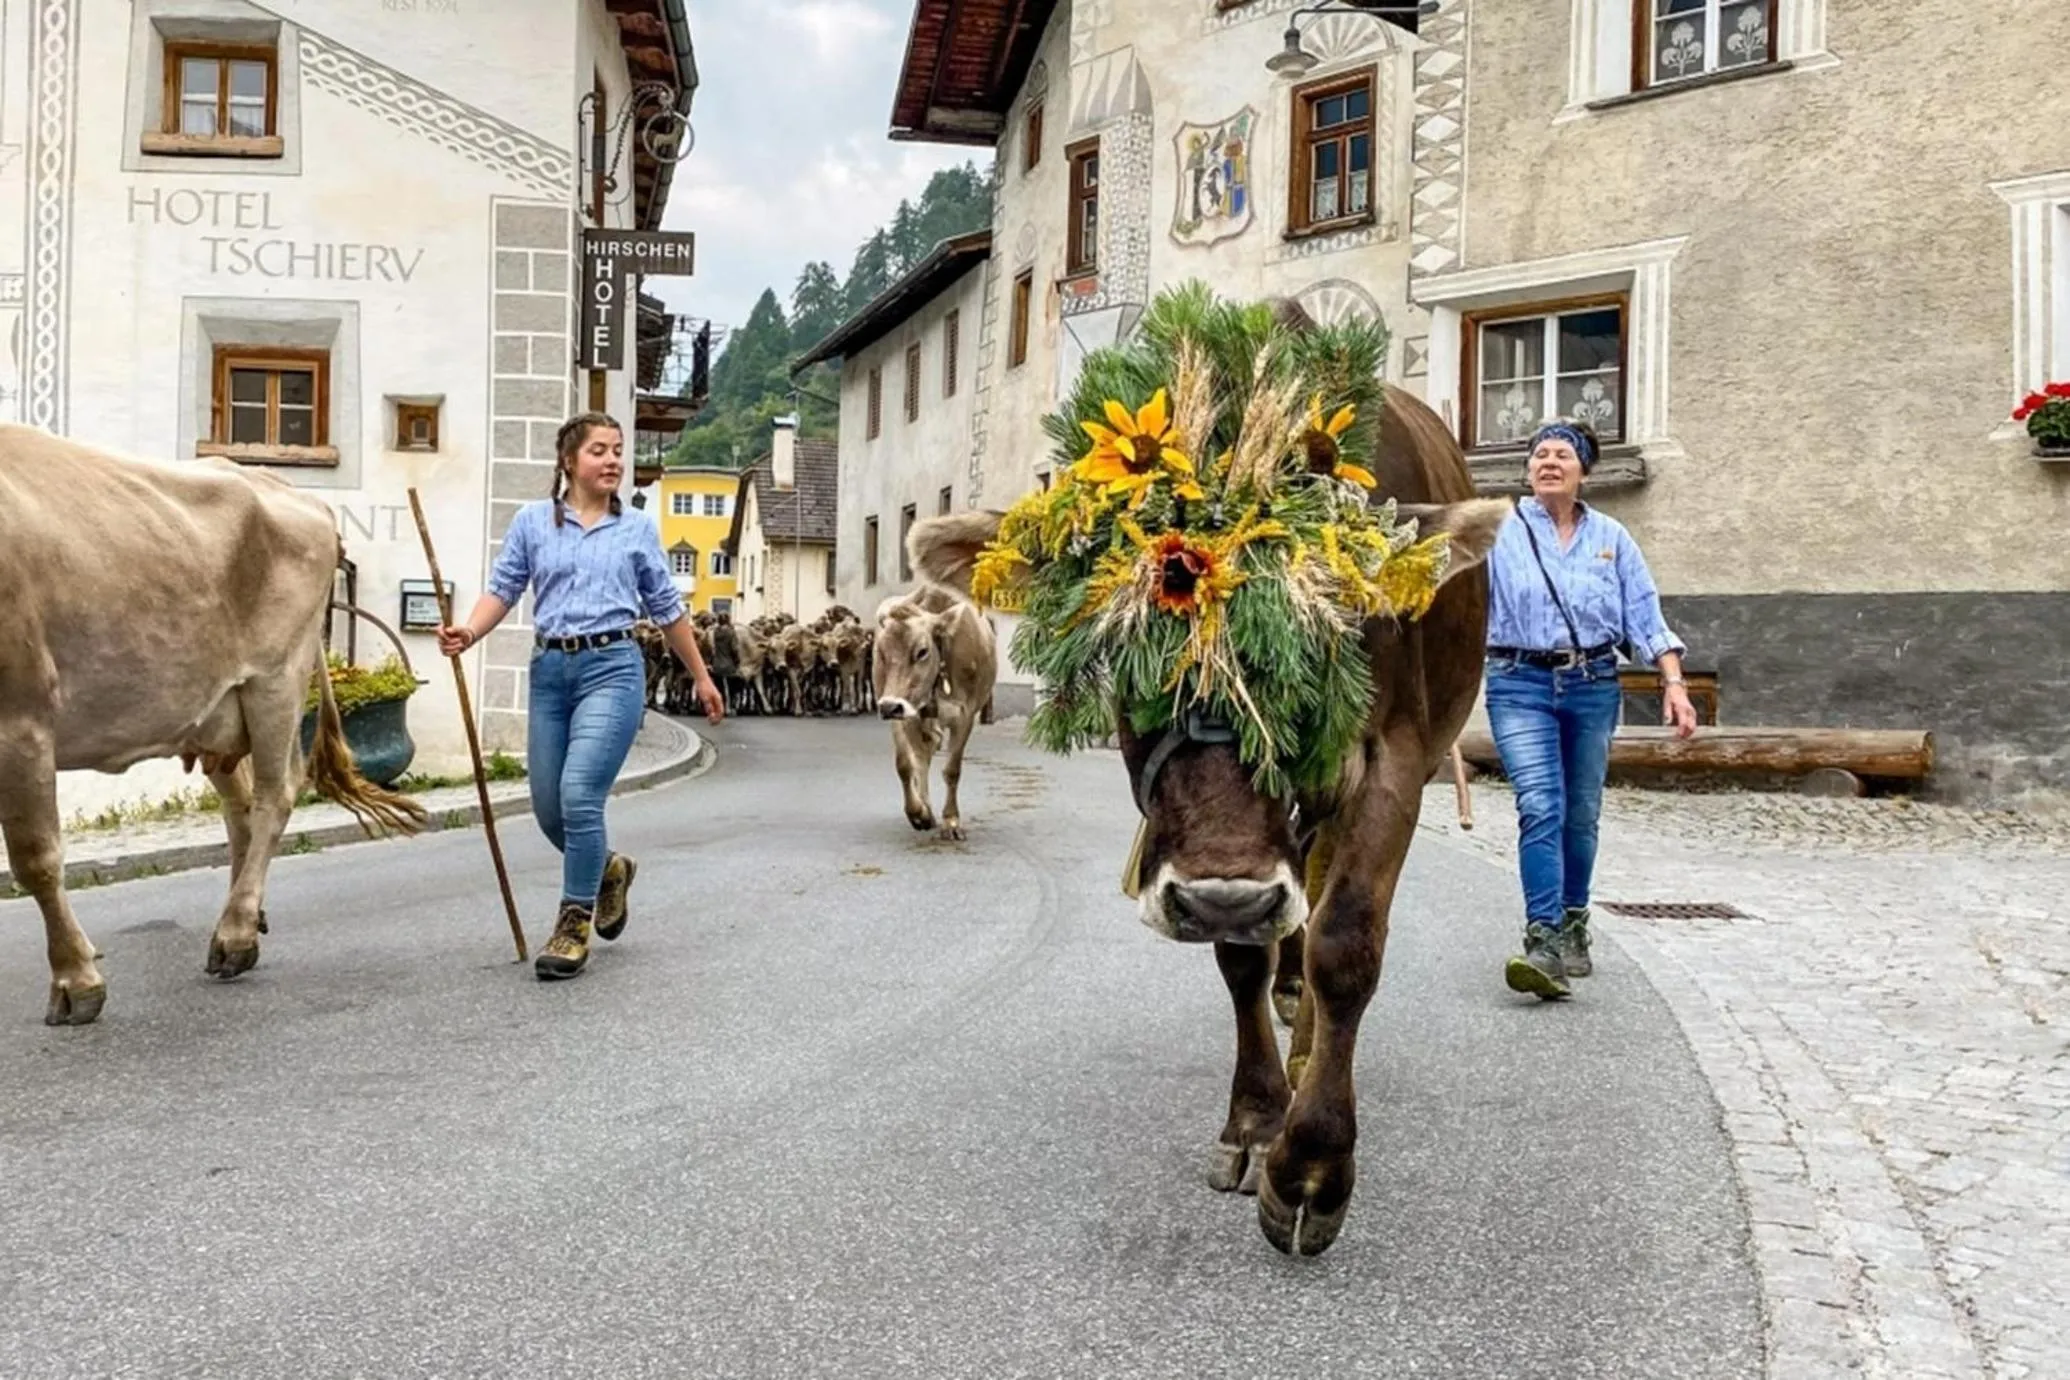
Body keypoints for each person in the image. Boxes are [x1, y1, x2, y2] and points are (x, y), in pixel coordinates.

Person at [437, 411, 724, 982]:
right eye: (599, 450)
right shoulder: (532, 522)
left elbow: (667, 607)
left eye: (618, 449)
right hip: (549, 671)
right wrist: (469, 632)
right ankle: (609, 869)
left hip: (612, 668)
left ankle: (573, 924)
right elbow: (504, 588)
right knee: (547, 807)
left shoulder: (638, 528)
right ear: (568, 461)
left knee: (578, 793)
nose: (614, 459)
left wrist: (700, 674)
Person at [1483, 419, 1697, 1001]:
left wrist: (1673, 685)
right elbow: (1452, 596)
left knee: (1580, 812)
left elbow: (1646, 618)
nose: (1548, 462)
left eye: (1562, 455)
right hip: (1516, 680)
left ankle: (1575, 920)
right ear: (1528, 469)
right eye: (1539, 455)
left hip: (1593, 682)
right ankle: (1543, 938)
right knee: (1540, 804)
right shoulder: (1499, 530)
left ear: (1584, 471)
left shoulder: (1612, 538)